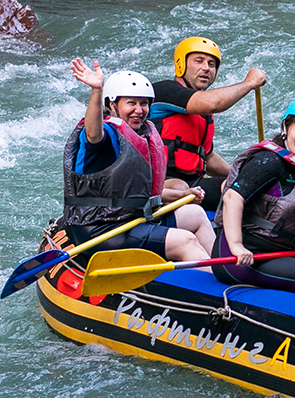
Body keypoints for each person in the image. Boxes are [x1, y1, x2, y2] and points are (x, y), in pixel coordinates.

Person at [59, 59, 213, 264]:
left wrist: (183, 195)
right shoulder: (106, 136)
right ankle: (213, 293)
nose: (139, 110)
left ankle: (227, 274)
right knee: (185, 240)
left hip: (130, 219)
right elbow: (93, 134)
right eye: (131, 103)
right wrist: (96, 90)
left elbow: (135, 194)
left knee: (195, 214)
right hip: (100, 229)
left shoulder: (143, 134)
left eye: (144, 103)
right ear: (111, 105)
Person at [213, 99, 295, 305]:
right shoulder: (268, 161)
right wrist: (236, 245)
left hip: (280, 252)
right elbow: (232, 197)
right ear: (286, 128)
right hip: (241, 256)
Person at [150, 37, 269, 209]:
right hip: (160, 182)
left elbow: (208, 156)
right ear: (181, 64)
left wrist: (239, 174)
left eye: (211, 64)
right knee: (181, 187)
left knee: (243, 186)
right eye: (198, 61)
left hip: (194, 183)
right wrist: (249, 83)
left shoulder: (203, 114)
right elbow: (211, 103)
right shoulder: (165, 91)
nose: (206, 68)